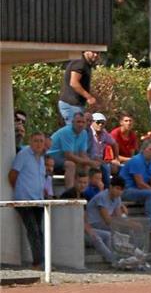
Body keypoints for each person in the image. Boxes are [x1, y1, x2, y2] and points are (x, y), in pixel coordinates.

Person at [8, 132, 47, 268]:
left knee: (39, 231)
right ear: (30, 142)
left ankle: (41, 261)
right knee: (33, 231)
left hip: (38, 200)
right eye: (36, 140)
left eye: (41, 141)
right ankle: (38, 262)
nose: (38, 144)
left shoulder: (41, 158)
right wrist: (19, 192)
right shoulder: (24, 155)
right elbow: (13, 174)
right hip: (24, 200)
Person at [47, 112, 97, 189]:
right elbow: (69, 155)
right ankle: (70, 192)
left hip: (65, 158)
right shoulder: (67, 131)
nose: (80, 124)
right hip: (51, 157)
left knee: (87, 166)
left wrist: (91, 163)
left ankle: (83, 191)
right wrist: (89, 162)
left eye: (83, 122)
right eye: (78, 122)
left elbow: (82, 154)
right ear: (73, 122)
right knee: (71, 165)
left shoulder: (84, 133)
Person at [85, 175, 127, 263]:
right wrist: (126, 225)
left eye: (121, 190)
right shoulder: (102, 197)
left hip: (102, 226)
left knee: (121, 232)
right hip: (92, 225)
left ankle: (121, 257)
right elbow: (107, 220)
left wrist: (129, 224)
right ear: (111, 187)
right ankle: (114, 259)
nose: (119, 192)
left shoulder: (117, 198)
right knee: (112, 233)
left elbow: (118, 217)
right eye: (117, 188)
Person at [57, 50, 100, 124]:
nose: (96, 55)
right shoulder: (80, 63)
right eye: (93, 52)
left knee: (76, 131)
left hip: (74, 105)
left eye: (98, 53)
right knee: (74, 131)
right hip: (71, 105)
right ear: (85, 51)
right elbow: (74, 82)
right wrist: (89, 97)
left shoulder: (85, 64)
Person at [87, 112, 118, 186]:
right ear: (92, 122)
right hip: (89, 158)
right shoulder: (88, 132)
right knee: (105, 167)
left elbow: (114, 144)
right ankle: (107, 189)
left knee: (118, 168)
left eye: (103, 123)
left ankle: (118, 189)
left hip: (100, 160)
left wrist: (116, 158)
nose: (100, 124)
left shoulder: (104, 133)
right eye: (98, 122)